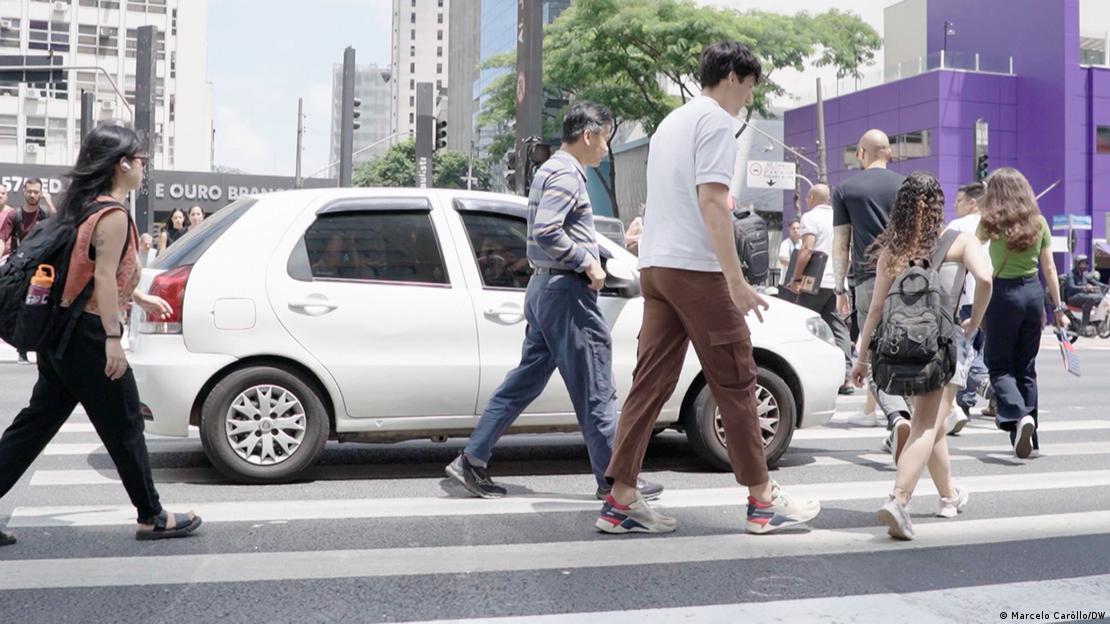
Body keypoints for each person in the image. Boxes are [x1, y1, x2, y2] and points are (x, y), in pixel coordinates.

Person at [600, 42, 819, 535]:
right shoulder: (718, 121)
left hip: (654, 268)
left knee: (649, 384)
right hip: (694, 269)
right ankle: (763, 500)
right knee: (738, 379)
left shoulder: (670, 123)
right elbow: (713, 203)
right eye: (749, 86)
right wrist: (736, 281)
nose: (749, 98)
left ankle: (619, 500)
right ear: (734, 77)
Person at [445, 102, 662, 503]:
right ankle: (615, 480)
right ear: (588, 135)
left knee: (524, 382)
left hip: (545, 289)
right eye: (605, 140)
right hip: (567, 293)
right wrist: (589, 264)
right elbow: (547, 230)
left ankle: (471, 460)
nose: (604, 150)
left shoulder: (551, 170)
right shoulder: (565, 173)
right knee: (597, 386)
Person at [0, 124, 201, 547]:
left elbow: (85, 274)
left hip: (61, 337)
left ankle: (151, 512)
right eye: (141, 160)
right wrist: (113, 339)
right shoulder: (112, 214)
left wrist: (139, 298)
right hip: (90, 338)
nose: (144, 167)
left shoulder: (82, 207)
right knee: (126, 424)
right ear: (122, 164)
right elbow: (104, 279)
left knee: (33, 428)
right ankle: (152, 516)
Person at [850, 172, 992, 541]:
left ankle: (948, 495)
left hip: (901, 351)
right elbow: (986, 279)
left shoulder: (892, 253)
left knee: (932, 423)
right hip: (941, 346)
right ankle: (899, 499)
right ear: (938, 206)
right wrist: (973, 321)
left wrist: (861, 358)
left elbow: (876, 309)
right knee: (927, 425)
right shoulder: (960, 241)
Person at [832, 130, 912, 458]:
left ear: (862, 153)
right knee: (908, 355)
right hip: (911, 282)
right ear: (889, 153)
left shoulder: (846, 189)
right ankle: (907, 425)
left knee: (872, 355)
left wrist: (839, 286)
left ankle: (896, 416)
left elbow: (841, 244)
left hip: (868, 280)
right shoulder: (907, 185)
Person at [977, 167, 1067, 459]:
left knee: (999, 366)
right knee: (1026, 368)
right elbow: (1050, 268)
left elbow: (972, 250)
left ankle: (1018, 415)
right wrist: (1059, 307)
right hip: (1033, 295)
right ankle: (1030, 436)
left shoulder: (989, 223)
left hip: (1002, 295)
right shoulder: (1038, 223)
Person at [789, 184, 853, 394]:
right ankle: (846, 377)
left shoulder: (810, 217)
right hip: (837, 283)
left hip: (814, 283)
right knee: (839, 328)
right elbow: (848, 254)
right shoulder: (840, 217)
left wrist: (796, 278)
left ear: (811, 197)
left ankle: (803, 375)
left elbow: (807, 249)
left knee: (803, 324)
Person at [945, 182, 994, 431]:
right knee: (980, 350)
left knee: (965, 352)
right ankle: (965, 403)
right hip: (989, 296)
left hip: (964, 297)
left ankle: (990, 389)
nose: (955, 205)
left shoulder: (957, 227)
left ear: (973, 202)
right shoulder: (993, 224)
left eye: (959, 200)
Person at [0, 178, 50, 365]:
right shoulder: (14, 215)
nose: (32, 195)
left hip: (40, 271)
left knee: (39, 309)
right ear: (24, 191)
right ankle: (22, 350)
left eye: (36, 192)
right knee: (18, 307)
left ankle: (38, 348)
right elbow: (3, 240)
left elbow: (59, 224)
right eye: (29, 191)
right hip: (19, 269)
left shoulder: (44, 214)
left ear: (41, 192)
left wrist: (50, 201)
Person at [1064, 254, 1107, 332]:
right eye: (1083, 263)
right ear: (1077, 264)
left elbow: (1094, 282)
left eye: (1086, 263)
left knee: (1100, 297)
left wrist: (1105, 286)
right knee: (1092, 298)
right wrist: (1084, 288)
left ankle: (1096, 321)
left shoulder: (1084, 274)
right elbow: (1071, 287)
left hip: (1082, 296)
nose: (1086, 265)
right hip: (1073, 297)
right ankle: (1084, 325)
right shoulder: (1070, 275)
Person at [778, 218, 800, 285]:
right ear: (789, 229)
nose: (796, 230)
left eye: (798, 228)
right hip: (785, 282)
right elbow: (783, 260)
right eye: (793, 228)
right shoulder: (785, 243)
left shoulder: (802, 244)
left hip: (797, 283)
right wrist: (799, 263)